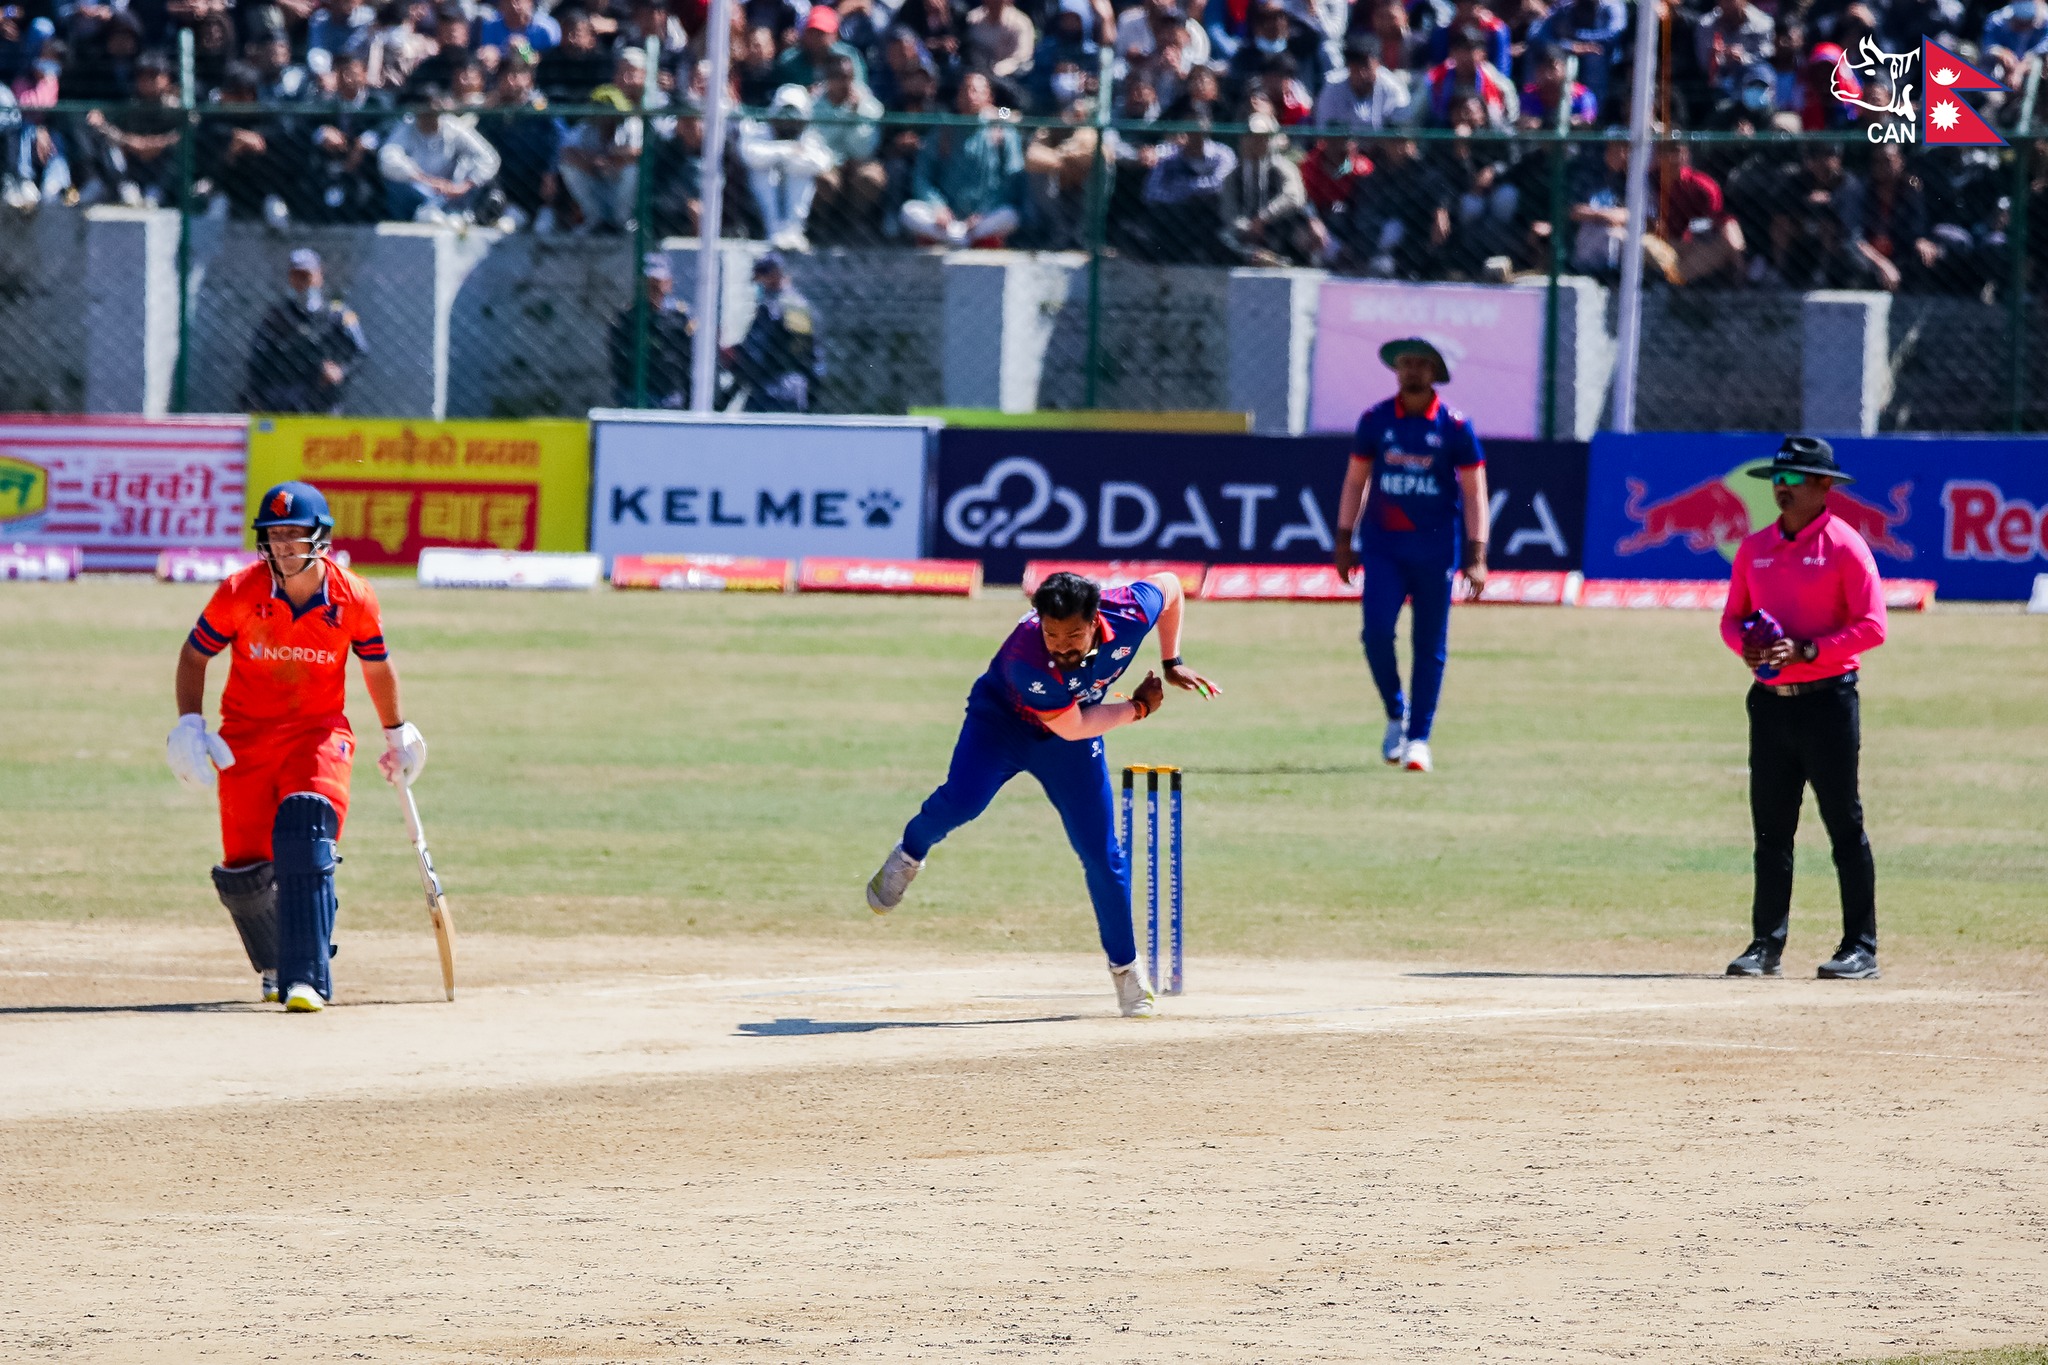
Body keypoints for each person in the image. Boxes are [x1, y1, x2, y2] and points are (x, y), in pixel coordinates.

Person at [863, 570, 1221, 1018]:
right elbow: (1074, 726)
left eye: (1074, 635)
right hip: (1002, 725)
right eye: (1052, 635)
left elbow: (1169, 586)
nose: (1062, 647)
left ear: (1095, 619)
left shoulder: (1129, 610)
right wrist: (1138, 708)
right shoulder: (1027, 657)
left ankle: (1127, 971)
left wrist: (1172, 660)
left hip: (1068, 741)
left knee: (1101, 854)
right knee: (963, 801)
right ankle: (908, 853)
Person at [168, 481, 428, 1012]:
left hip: (318, 733)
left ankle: (307, 977)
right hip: (245, 738)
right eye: (274, 534)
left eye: (294, 533)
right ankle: (275, 964)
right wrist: (189, 725)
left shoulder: (353, 596)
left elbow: (376, 666)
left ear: (320, 538)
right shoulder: (240, 591)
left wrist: (396, 732)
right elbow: (194, 656)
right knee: (243, 874)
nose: (283, 545)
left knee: (307, 830)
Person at [1720, 437, 1887, 982]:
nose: (1781, 488)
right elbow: (1732, 618)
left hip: (1828, 702)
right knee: (1771, 831)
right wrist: (1745, 647)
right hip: (1769, 705)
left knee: (1844, 825)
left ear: (1823, 486)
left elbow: (1873, 627)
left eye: (1793, 479)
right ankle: (1765, 946)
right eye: (1777, 478)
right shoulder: (1755, 548)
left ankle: (1860, 947)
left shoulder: (1845, 547)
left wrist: (1810, 651)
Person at [1331, 337, 1488, 773]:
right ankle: (1395, 713)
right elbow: (1355, 481)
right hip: (1384, 548)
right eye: (1405, 363)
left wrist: (1477, 553)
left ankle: (1419, 738)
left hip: (1436, 552)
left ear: (1434, 373)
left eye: (1421, 364)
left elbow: (1475, 492)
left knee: (1429, 645)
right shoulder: (1376, 420)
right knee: (1376, 633)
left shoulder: (1456, 426)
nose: (1412, 370)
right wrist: (1343, 540)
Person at [243, 249, 369, 414]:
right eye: (296, 275)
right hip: (283, 403)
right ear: (290, 278)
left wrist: (341, 371)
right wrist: (257, 396)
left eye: (306, 275)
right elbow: (257, 358)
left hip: (323, 402)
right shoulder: (276, 317)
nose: (302, 282)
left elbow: (361, 352)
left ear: (319, 275)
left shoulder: (338, 314)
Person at [738, 84, 835, 250]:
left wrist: (785, 161)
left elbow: (823, 161)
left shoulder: (809, 135)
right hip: (752, 200)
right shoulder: (760, 130)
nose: (788, 120)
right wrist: (788, 150)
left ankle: (793, 230)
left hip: (794, 186)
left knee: (799, 172)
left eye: (794, 115)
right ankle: (773, 229)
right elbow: (749, 154)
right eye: (784, 113)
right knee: (763, 171)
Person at [723, 251, 821, 412]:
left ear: (775, 274)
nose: (760, 285)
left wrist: (734, 357)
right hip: (796, 390)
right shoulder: (801, 307)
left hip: (767, 390)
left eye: (762, 278)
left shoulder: (770, 309)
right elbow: (814, 354)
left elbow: (754, 354)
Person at [610, 252, 695, 407]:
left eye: (659, 283)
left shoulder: (679, 318)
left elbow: (688, 360)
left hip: (670, 394)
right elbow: (618, 361)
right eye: (650, 284)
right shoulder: (627, 319)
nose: (656, 289)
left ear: (668, 283)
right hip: (634, 393)